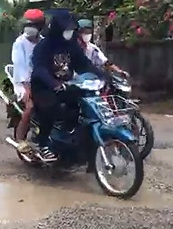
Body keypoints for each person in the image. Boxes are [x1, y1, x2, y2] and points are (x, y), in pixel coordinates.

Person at [31, 10, 106, 161]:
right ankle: (43, 144)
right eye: (67, 29)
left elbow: (83, 64)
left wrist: (102, 75)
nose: (69, 32)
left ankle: (71, 138)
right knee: (50, 107)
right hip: (44, 87)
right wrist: (54, 83)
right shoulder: (44, 46)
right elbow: (40, 69)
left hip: (67, 85)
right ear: (58, 29)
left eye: (71, 30)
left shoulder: (72, 45)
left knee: (83, 104)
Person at [11, 9, 45, 149]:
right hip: (23, 83)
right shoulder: (20, 43)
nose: (30, 28)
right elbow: (20, 67)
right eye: (28, 25)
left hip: (41, 81)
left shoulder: (43, 42)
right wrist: (27, 89)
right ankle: (20, 139)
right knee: (30, 107)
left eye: (34, 25)